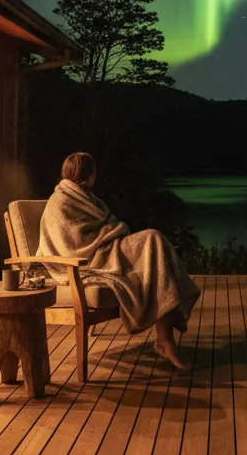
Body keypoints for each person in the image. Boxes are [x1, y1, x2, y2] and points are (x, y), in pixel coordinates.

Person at [37, 152, 200, 369]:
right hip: (93, 259)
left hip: (108, 249)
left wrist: (112, 231)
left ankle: (164, 338)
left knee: (154, 244)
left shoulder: (82, 195)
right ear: (87, 175)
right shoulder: (60, 202)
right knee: (152, 239)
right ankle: (165, 339)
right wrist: (112, 232)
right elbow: (71, 243)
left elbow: (98, 226)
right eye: (94, 172)